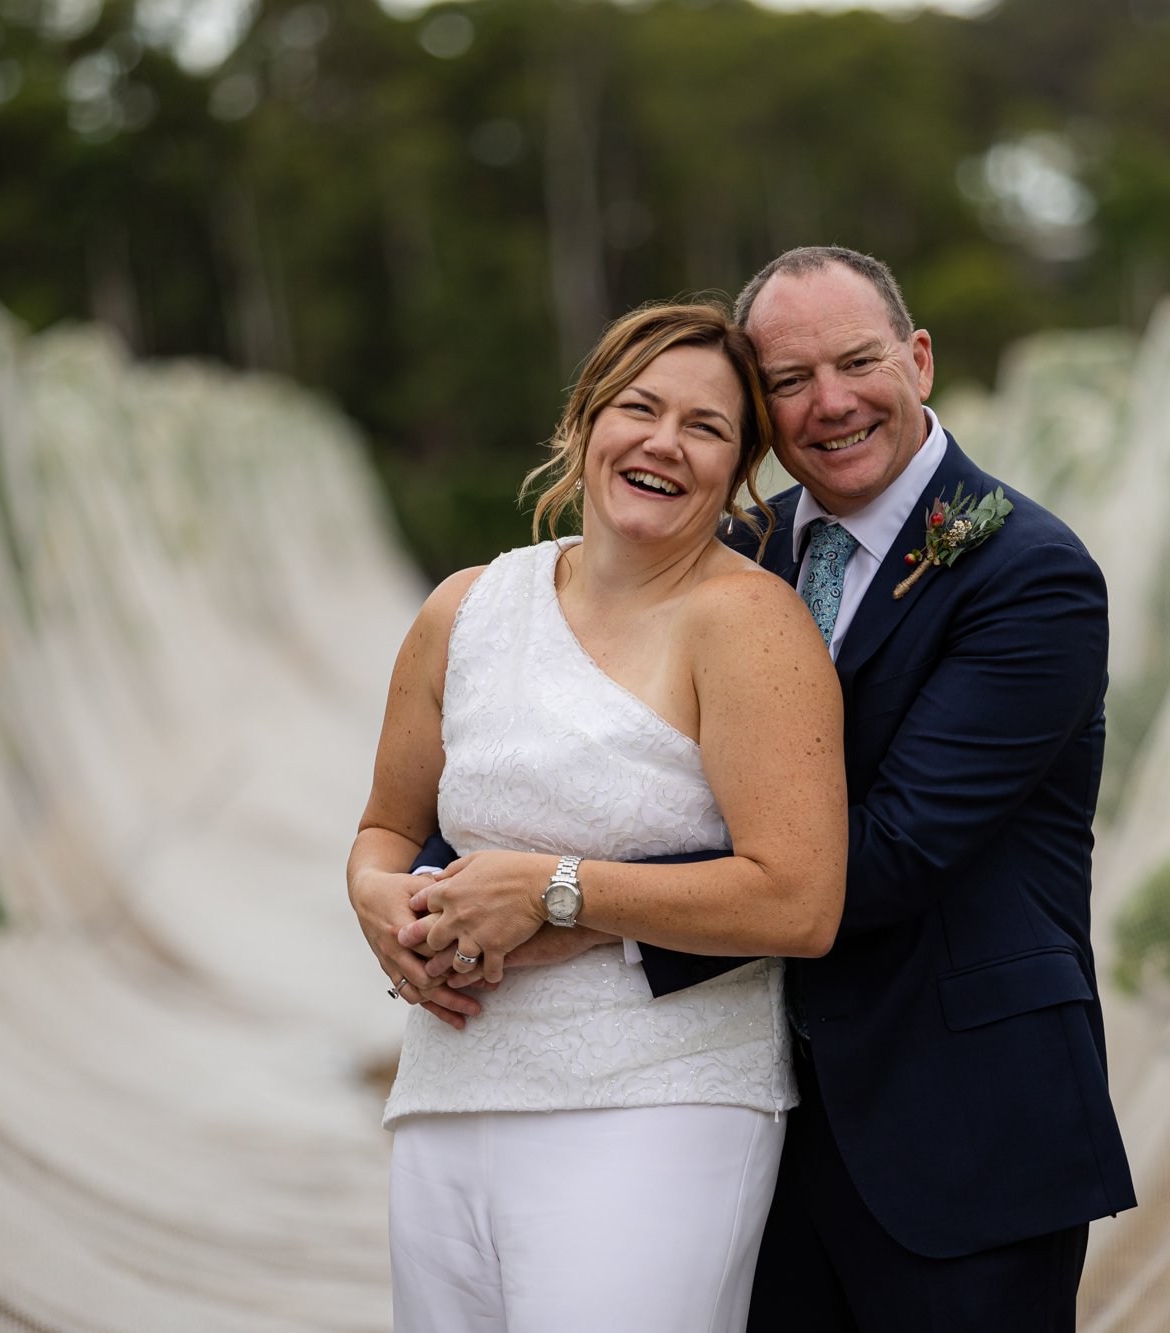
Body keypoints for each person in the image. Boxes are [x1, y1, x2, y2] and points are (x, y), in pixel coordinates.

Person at [405, 246, 1136, 1330]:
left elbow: (888, 849)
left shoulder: (1027, 573)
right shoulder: (731, 548)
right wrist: (438, 893)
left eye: (855, 362)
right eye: (788, 381)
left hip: (957, 1121)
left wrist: (566, 904)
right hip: (755, 1121)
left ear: (917, 359)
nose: (828, 403)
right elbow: (586, 748)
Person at [345, 300, 847, 1332]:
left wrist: (547, 887)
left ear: (739, 466)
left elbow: (798, 898)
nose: (663, 442)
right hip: (450, 1090)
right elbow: (384, 832)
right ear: (584, 421)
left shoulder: (748, 621)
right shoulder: (464, 609)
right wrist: (377, 904)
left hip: (656, 1107)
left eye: (705, 428)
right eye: (639, 407)